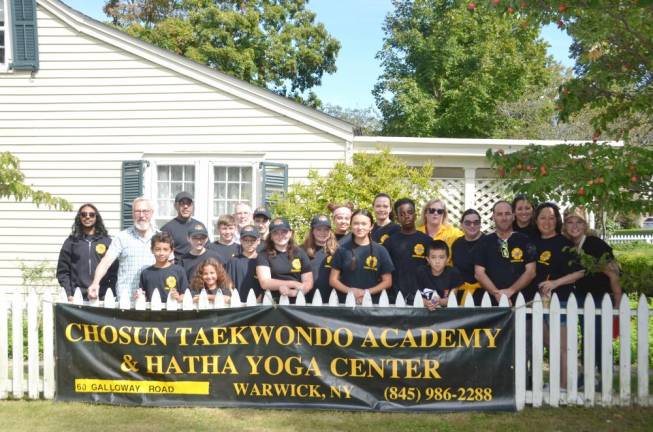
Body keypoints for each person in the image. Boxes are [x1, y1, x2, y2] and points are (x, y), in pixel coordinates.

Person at [563, 206, 622, 374]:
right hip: (580, 297)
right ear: (565, 225)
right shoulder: (568, 246)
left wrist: (617, 303)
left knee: (599, 340)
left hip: (600, 299)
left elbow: (614, 274)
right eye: (570, 222)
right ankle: (589, 375)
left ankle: (604, 377)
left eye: (579, 222)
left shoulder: (594, 244)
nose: (574, 226)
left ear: (585, 225)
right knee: (586, 340)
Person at [533, 202, 585, 389]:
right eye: (543, 217)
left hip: (561, 300)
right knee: (550, 343)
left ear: (557, 220)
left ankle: (563, 386)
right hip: (539, 303)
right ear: (536, 220)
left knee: (562, 345)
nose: (547, 221)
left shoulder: (564, 243)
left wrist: (555, 283)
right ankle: (561, 379)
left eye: (551, 217)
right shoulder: (533, 242)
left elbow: (580, 272)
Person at [88, 197, 158, 301]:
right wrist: (95, 283)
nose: (141, 215)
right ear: (132, 214)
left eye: (145, 211)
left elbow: (170, 266)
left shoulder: (161, 238)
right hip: (126, 299)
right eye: (137, 211)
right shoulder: (122, 237)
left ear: (152, 213)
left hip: (154, 297)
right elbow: (106, 262)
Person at [474, 200, 537, 305]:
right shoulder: (484, 242)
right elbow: (479, 273)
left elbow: (531, 272)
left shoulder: (525, 240)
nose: (504, 218)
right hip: (491, 303)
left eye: (507, 214)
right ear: (493, 217)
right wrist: (497, 294)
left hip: (522, 302)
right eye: (499, 214)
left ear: (513, 216)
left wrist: (510, 291)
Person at [329, 209, 393, 304]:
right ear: (351, 226)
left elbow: (387, 282)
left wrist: (365, 293)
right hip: (346, 303)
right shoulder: (342, 250)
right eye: (356, 223)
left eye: (364, 224)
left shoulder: (381, 250)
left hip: (373, 304)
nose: (359, 227)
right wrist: (351, 292)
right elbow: (333, 280)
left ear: (371, 226)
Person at [57, 203, 118, 300]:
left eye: (91, 214)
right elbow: (63, 271)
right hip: (77, 296)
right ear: (79, 217)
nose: (87, 217)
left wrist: (111, 291)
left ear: (96, 217)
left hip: (102, 295)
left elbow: (114, 271)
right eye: (84, 214)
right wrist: (69, 292)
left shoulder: (107, 242)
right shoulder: (71, 242)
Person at [383, 198, 432, 304]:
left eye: (410, 212)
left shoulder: (427, 240)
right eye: (402, 214)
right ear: (397, 218)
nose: (406, 216)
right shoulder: (389, 242)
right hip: (396, 298)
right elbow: (385, 271)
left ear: (415, 214)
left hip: (422, 298)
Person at [256, 218, 313, 303]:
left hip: (297, 302)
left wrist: (294, 293)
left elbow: (308, 281)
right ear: (271, 236)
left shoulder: (300, 252)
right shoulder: (263, 254)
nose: (280, 236)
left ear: (290, 233)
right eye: (276, 233)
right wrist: (293, 284)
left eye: (284, 232)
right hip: (272, 303)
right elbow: (265, 283)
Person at [137, 232, 188, 303]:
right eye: (157, 249)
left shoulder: (179, 271)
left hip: (174, 312)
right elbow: (143, 297)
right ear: (152, 250)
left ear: (171, 251)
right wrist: (139, 297)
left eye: (165, 249)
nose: (161, 253)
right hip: (152, 312)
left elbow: (185, 295)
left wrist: (178, 297)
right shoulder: (146, 273)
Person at [450, 209, 485, 305]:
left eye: (476, 222)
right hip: (460, 293)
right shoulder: (456, 244)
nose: (472, 225)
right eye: (468, 223)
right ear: (461, 225)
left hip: (484, 295)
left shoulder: (488, 242)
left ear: (480, 224)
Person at [416, 240, 464, 310]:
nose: (437, 261)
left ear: (448, 259)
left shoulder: (454, 273)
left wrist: (440, 301)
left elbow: (452, 299)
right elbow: (417, 296)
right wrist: (427, 303)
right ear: (428, 259)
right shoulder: (421, 272)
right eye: (433, 257)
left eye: (441, 257)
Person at [161, 191, 207, 262]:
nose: (185, 207)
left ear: (192, 206)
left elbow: (207, 248)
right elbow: (163, 253)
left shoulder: (200, 226)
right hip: (179, 268)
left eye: (188, 204)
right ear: (176, 206)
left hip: (199, 268)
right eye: (182, 203)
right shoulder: (167, 229)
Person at [302, 215, 339, 302]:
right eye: (318, 229)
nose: (323, 233)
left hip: (332, 299)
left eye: (326, 229)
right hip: (306, 300)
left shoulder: (337, 251)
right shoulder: (301, 251)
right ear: (312, 231)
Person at [227, 225, 263, 303]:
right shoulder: (233, 261)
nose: (249, 243)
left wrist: (260, 297)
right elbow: (229, 283)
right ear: (240, 241)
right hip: (238, 304)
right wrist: (234, 298)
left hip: (260, 304)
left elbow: (267, 283)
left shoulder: (263, 260)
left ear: (258, 241)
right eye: (246, 240)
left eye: (252, 240)